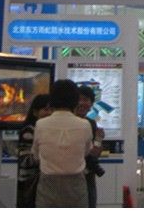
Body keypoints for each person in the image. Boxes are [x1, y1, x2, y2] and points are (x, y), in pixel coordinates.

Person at [32, 79, 93, 208]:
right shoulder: (85, 125)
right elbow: (86, 152)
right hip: (76, 185)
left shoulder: (40, 124)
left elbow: (36, 155)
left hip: (48, 185)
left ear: (52, 99)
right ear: (75, 100)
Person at [16, 94, 51, 207]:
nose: (49, 113)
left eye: (52, 109)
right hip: (30, 183)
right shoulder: (29, 131)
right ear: (35, 112)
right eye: (45, 109)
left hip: (45, 183)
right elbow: (25, 160)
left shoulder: (49, 130)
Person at [76, 85, 105, 208]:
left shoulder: (91, 123)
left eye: (86, 100)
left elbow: (95, 153)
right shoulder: (67, 123)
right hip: (71, 176)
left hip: (88, 175)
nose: (82, 103)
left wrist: (98, 139)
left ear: (91, 104)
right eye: (79, 99)